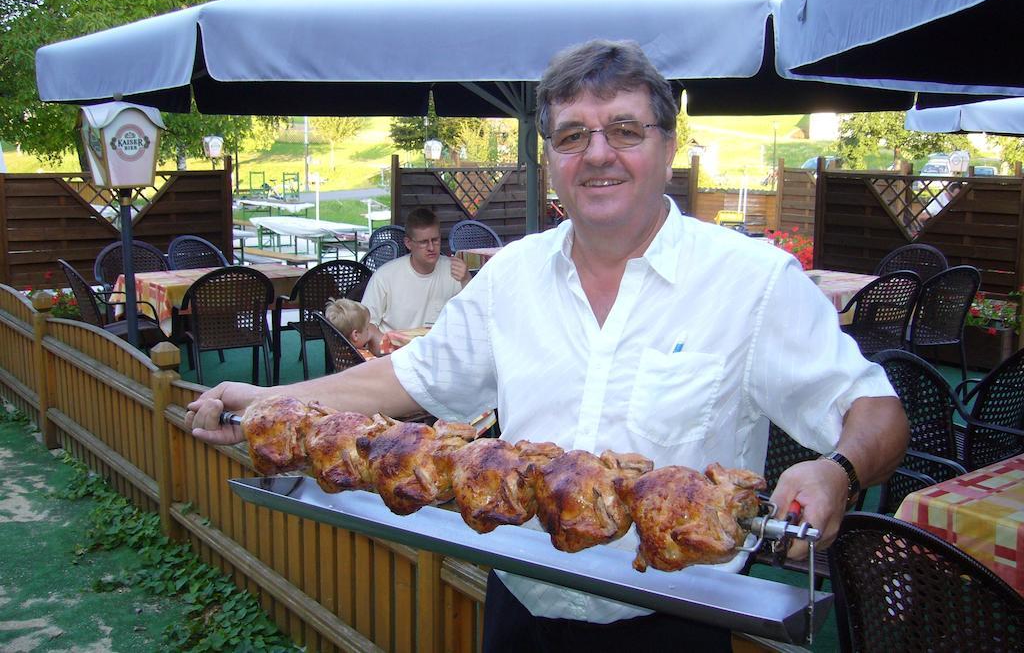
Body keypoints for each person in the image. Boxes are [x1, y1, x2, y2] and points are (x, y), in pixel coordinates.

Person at [188, 39, 908, 651]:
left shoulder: (752, 282)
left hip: (670, 624)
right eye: (572, 136)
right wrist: (269, 401)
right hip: (519, 610)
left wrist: (837, 471)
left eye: (625, 130)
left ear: (668, 145)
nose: (598, 155)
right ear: (552, 155)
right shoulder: (512, 277)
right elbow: (406, 379)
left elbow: (877, 411)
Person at [360, 207, 470, 332]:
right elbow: (366, 325)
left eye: (435, 240)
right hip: (395, 349)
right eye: (423, 242)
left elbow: (475, 314)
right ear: (408, 243)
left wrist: (466, 280)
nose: (431, 247)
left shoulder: (455, 271)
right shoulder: (384, 277)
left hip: (438, 347)